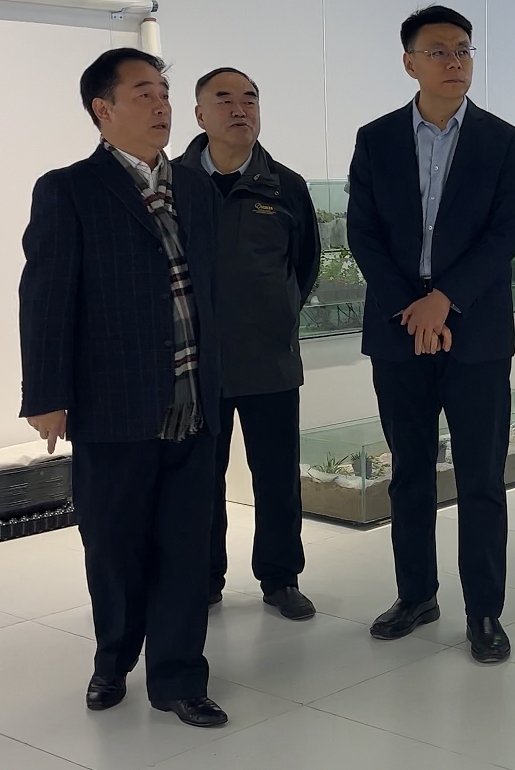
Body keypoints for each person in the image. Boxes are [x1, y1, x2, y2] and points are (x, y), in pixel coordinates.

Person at [20, 48, 227, 727]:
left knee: (185, 550)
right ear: (102, 109)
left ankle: (179, 678)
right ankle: (112, 660)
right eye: (143, 93)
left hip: (193, 402)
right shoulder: (69, 190)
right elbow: (46, 298)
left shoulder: (194, 186)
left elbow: (212, 291)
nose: (161, 104)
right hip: (113, 403)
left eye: (163, 91)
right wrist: (46, 394)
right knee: (113, 547)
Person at [346, 6, 515, 663]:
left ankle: (484, 612)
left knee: (480, 477)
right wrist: (412, 308)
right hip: (399, 330)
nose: (455, 62)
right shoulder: (376, 139)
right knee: (410, 472)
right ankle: (416, 594)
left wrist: (444, 303)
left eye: (463, 50)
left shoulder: (501, 140)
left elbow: (503, 235)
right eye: (439, 51)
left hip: (474, 331)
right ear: (410, 63)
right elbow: (362, 232)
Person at [172, 67, 319, 618]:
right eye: (225, 99)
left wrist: (275, 315)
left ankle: (281, 578)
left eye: (250, 99)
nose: (240, 110)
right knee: (198, 479)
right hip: (195, 364)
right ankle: (204, 578)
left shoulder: (285, 186)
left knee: (277, 478)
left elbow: (304, 266)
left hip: (268, 360)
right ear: (199, 115)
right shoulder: (174, 183)